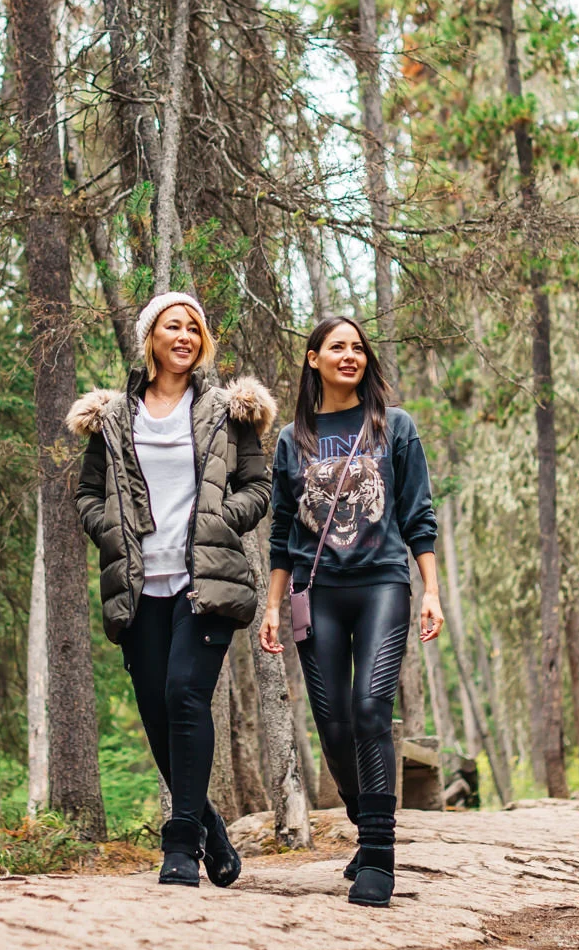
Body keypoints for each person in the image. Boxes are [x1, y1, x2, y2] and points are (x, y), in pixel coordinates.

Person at [69, 291, 276, 886]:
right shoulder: (112, 417)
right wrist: (107, 528)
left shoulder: (226, 410)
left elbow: (257, 489)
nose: (184, 336)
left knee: (187, 696)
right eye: (171, 327)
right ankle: (209, 825)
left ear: (202, 341)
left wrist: (219, 520)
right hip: (138, 586)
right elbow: (87, 492)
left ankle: (180, 844)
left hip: (202, 581)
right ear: (150, 339)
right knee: (158, 714)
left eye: (193, 328)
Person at [259, 315, 442, 907]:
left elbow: (418, 515)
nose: (350, 356)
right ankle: (368, 827)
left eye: (358, 348)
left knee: (369, 709)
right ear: (313, 359)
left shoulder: (396, 427)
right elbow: (284, 529)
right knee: (334, 725)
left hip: (383, 584)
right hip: (319, 592)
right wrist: (271, 604)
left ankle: (380, 857)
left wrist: (431, 590)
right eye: (337, 347)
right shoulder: (293, 438)